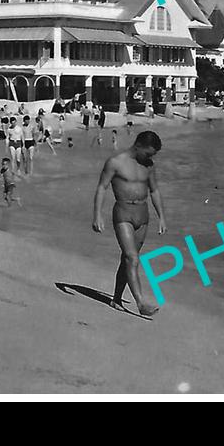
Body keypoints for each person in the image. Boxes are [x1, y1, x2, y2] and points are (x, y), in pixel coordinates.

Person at [92, 130, 167, 318]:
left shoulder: (148, 165)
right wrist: (97, 215)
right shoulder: (115, 162)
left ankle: (116, 298)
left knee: (127, 260)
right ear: (139, 145)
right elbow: (102, 187)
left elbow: (154, 191)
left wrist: (162, 216)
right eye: (149, 153)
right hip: (123, 213)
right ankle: (141, 302)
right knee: (132, 258)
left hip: (143, 216)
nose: (150, 157)